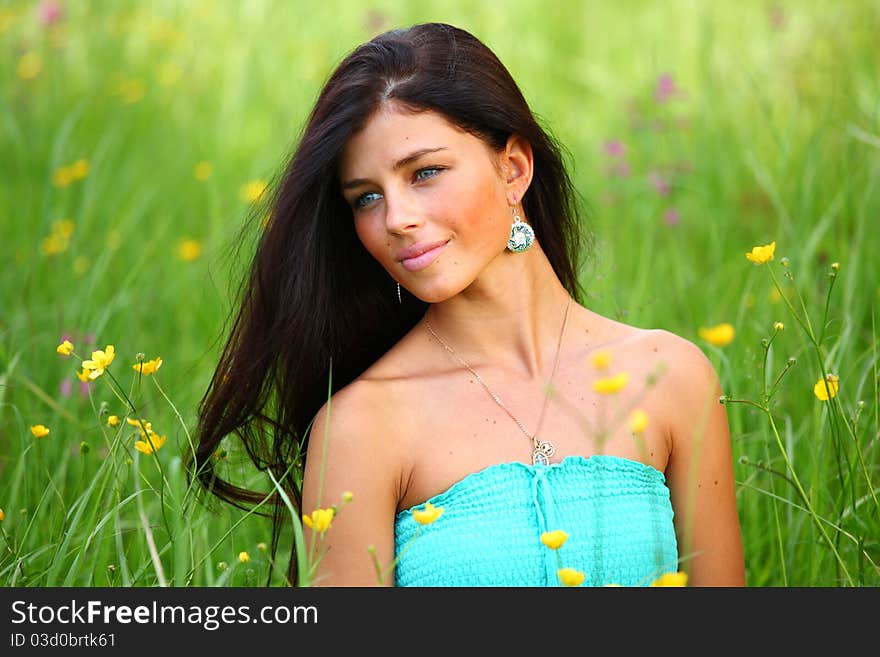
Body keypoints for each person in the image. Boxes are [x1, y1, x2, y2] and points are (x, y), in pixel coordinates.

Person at [191, 22, 745, 587]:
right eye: (367, 197)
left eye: (425, 172)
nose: (395, 219)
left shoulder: (671, 377)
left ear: (514, 169)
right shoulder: (362, 427)